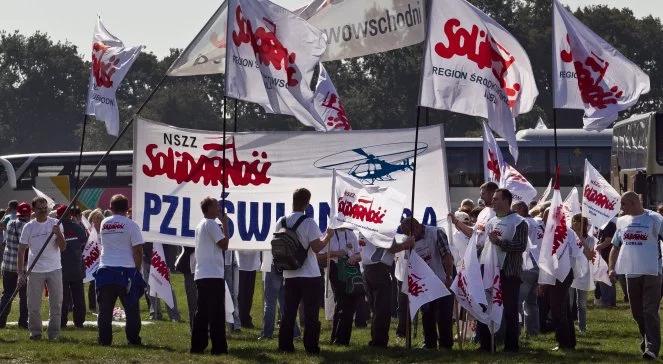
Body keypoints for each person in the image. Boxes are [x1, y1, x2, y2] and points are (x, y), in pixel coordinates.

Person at [608, 192, 663, 360]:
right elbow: (615, 247)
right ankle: (647, 338)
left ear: (632, 203)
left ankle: (652, 348)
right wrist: (611, 268)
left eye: (623, 205)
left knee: (649, 310)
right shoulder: (622, 222)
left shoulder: (654, 219)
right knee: (637, 312)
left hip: (653, 271)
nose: (621, 209)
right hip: (631, 272)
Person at [277, 188, 332, 354]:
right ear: (307, 203)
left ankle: (285, 346)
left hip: (289, 273)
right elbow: (317, 248)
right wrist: (328, 236)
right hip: (309, 274)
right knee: (310, 313)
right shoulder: (308, 222)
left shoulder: (281, 221)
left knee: (288, 313)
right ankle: (311, 347)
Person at [477, 189, 528, 352]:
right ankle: (487, 344)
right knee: (487, 307)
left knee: (510, 310)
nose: (493, 201)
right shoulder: (491, 221)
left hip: (509, 273)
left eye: (496, 199)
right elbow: (486, 246)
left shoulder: (519, 222)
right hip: (491, 273)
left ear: (506, 201)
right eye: (493, 198)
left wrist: (499, 243)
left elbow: (521, 246)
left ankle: (511, 346)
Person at [538, 207, 593, 351]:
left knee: (557, 309)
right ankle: (569, 341)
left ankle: (564, 342)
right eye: (544, 217)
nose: (544, 220)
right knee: (564, 309)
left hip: (561, 274)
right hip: (558, 273)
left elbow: (576, 253)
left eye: (546, 217)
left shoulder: (565, 232)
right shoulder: (561, 232)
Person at [95, 194, 145, 346]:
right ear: (127, 208)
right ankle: (133, 340)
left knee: (105, 310)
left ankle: (104, 340)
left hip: (105, 270)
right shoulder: (132, 225)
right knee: (131, 310)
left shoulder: (104, 222)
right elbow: (138, 250)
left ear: (111, 207)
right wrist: (137, 269)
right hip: (126, 270)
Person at [400, 217, 454, 349]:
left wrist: (448, 276)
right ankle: (429, 343)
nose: (410, 236)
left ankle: (445, 344)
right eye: (407, 234)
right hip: (423, 282)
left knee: (443, 314)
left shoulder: (436, 233)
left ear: (418, 226)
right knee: (427, 314)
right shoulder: (409, 241)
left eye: (411, 232)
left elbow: (446, 255)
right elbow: (409, 263)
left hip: (441, 277)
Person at [17, 197, 66, 340]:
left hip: (55, 268)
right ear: (34, 210)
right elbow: (21, 250)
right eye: (40, 208)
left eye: (46, 208)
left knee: (56, 303)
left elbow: (63, 248)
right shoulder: (29, 227)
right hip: (35, 270)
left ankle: (54, 334)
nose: (44, 211)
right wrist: (21, 273)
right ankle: (35, 332)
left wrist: (59, 234)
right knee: (33, 304)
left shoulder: (56, 223)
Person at [190, 197, 229, 355]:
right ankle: (219, 347)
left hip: (202, 273)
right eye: (216, 206)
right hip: (213, 274)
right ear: (209, 208)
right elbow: (224, 245)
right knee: (217, 313)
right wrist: (225, 225)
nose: (219, 208)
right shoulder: (212, 224)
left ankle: (198, 345)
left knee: (202, 313)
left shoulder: (201, 224)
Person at [319, 227, 361, 345]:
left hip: (350, 269)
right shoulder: (329, 233)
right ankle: (338, 338)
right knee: (342, 301)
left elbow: (359, 253)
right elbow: (319, 254)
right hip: (336, 269)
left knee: (350, 302)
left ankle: (343, 338)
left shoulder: (351, 234)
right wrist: (335, 253)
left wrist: (354, 257)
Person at [513, 201, 542, 336]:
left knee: (517, 301)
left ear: (520, 209)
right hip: (538, 264)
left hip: (527, 264)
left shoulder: (523, 223)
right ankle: (533, 332)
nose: (512, 213)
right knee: (531, 302)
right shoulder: (537, 222)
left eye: (514, 210)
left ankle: (516, 332)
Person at [0, 202, 31, 328]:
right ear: (28, 214)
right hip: (21, 266)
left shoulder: (10, 223)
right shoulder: (27, 226)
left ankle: (1, 320)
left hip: (7, 264)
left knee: (7, 294)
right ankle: (23, 322)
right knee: (24, 296)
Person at [57, 205, 88, 329]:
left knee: (62, 298)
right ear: (70, 214)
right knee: (78, 297)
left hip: (61, 267)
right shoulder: (78, 227)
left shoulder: (56, 228)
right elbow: (84, 242)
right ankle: (79, 322)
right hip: (76, 266)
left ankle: (62, 322)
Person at [570, 214, 595, 334]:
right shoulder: (569, 236)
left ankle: (582, 328)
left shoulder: (590, 239)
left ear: (584, 225)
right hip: (570, 272)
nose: (576, 223)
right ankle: (568, 327)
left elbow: (589, 255)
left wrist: (580, 238)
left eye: (579, 222)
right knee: (569, 302)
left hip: (583, 273)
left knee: (582, 304)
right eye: (574, 221)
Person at [595, 219, 617, 307]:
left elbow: (608, 240)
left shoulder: (609, 225)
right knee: (603, 278)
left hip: (607, 255)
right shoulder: (602, 224)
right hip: (603, 255)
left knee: (607, 278)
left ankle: (608, 301)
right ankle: (605, 300)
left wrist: (596, 247)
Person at [86, 208, 105, 313]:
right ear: (91, 220)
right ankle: (93, 306)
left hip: (103, 260)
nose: (97, 221)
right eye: (95, 219)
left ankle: (102, 304)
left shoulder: (105, 231)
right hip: (92, 260)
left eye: (99, 218)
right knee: (93, 282)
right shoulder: (88, 232)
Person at [236, 250, 260, 329]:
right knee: (241, 294)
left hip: (252, 265)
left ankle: (245, 318)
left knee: (249, 295)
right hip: (240, 265)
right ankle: (242, 318)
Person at [175, 246, 197, 331]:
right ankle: (194, 328)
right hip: (191, 269)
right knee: (193, 302)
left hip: (201, 268)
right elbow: (188, 248)